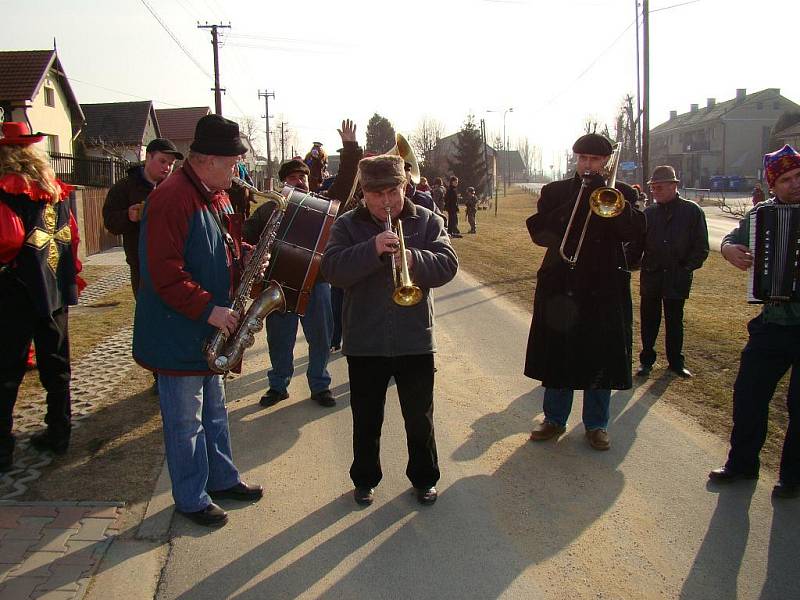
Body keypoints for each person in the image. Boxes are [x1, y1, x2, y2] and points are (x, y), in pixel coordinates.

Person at [132, 115, 264, 526]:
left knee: (215, 411)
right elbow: (163, 272)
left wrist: (244, 255)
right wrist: (210, 308)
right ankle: (190, 498)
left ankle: (222, 478)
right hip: (179, 332)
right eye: (232, 163)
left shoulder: (213, 192)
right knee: (186, 420)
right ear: (206, 160)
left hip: (203, 330)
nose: (237, 171)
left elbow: (219, 243)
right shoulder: (173, 197)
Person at [322, 154, 458, 506]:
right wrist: (371, 250)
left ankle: (425, 479)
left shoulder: (427, 220)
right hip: (365, 341)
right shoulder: (348, 225)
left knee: (419, 418)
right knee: (366, 418)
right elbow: (332, 270)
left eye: (392, 192)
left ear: (405, 186)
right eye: (376, 193)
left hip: (415, 339)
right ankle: (365, 479)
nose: (385, 201)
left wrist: (412, 258)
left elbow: (447, 265)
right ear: (363, 193)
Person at [525, 133, 645, 451]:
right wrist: (577, 201)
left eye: (594, 160)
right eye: (582, 158)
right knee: (559, 352)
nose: (587, 165)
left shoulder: (621, 193)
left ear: (606, 162)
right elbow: (540, 233)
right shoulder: (555, 191)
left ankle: (596, 425)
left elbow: (633, 233)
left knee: (600, 354)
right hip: (561, 283)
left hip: (603, 286)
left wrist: (609, 200)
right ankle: (554, 419)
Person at [243, 119, 362, 409]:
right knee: (279, 341)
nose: (301, 181)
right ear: (284, 183)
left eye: (304, 178)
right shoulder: (268, 210)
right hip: (278, 287)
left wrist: (350, 148)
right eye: (294, 178)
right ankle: (278, 385)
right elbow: (245, 240)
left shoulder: (323, 205)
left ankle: (320, 385)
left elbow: (346, 183)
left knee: (320, 338)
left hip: (316, 284)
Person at [709, 144, 800, 499]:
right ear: (773, 185)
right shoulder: (762, 214)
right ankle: (742, 464)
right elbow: (732, 238)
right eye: (787, 180)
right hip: (773, 322)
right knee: (748, 395)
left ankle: (792, 477)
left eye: (798, 177)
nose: (795, 184)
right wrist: (729, 249)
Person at [0, 122, 84, 471]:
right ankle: (59, 432)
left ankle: (2, 450)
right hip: (54, 289)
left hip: (15, 289)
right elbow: (71, 237)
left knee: (6, 369)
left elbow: (7, 239)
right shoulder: (57, 191)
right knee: (56, 363)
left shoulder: (6, 190)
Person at [632, 165, 709, 379]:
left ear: (674, 186)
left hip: (677, 276)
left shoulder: (692, 211)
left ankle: (676, 362)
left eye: (660, 187)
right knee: (649, 320)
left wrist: (686, 269)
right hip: (652, 276)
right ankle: (646, 361)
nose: (655, 191)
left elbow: (701, 246)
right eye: (653, 187)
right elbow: (637, 246)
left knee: (674, 321)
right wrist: (628, 263)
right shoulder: (649, 213)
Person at [102, 138, 183, 296]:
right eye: (162, 161)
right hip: (141, 266)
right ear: (148, 157)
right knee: (148, 314)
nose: (167, 167)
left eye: (171, 163)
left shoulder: (176, 189)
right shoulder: (125, 187)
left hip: (175, 264)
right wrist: (128, 216)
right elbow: (109, 222)